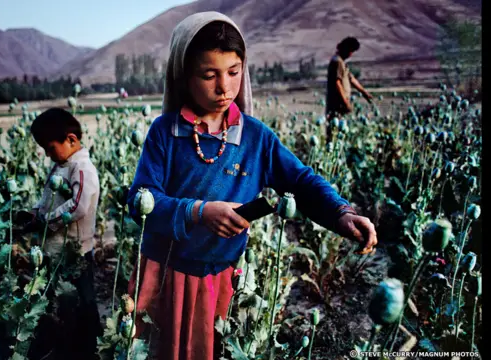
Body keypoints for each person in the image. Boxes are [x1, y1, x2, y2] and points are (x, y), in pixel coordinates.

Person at [125, 12, 378, 360]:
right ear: (183, 75)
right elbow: (141, 199)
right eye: (209, 75)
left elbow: (301, 180)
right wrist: (198, 211)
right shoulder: (165, 132)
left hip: (221, 278)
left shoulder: (256, 137)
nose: (224, 87)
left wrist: (340, 212)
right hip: (166, 274)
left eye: (233, 72)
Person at [23, 107, 102, 360]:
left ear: (71, 140)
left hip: (76, 252)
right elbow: (49, 198)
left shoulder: (82, 168)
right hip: (56, 251)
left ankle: (92, 348)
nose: (47, 155)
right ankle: (66, 346)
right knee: (61, 303)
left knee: (84, 302)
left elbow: (79, 206)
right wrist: (35, 213)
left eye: (50, 147)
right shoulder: (62, 164)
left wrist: (46, 221)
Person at [325, 37, 373, 139]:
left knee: (339, 135)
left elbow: (351, 79)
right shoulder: (337, 62)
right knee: (334, 135)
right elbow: (337, 83)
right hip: (336, 106)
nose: (351, 54)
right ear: (345, 48)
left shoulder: (342, 62)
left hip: (341, 106)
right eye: (351, 51)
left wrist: (364, 92)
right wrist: (346, 103)